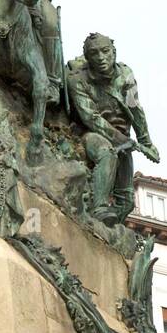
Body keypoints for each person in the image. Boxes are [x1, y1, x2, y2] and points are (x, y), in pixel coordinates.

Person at [66, 33, 160, 224]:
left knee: (126, 201)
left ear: (114, 52)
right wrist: (122, 139)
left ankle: (110, 231)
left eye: (105, 51)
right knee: (106, 152)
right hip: (90, 133)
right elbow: (90, 117)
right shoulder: (77, 80)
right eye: (94, 53)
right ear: (87, 57)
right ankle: (98, 207)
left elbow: (134, 107)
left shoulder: (125, 75)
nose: (101, 58)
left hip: (123, 138)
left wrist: (145, 141)